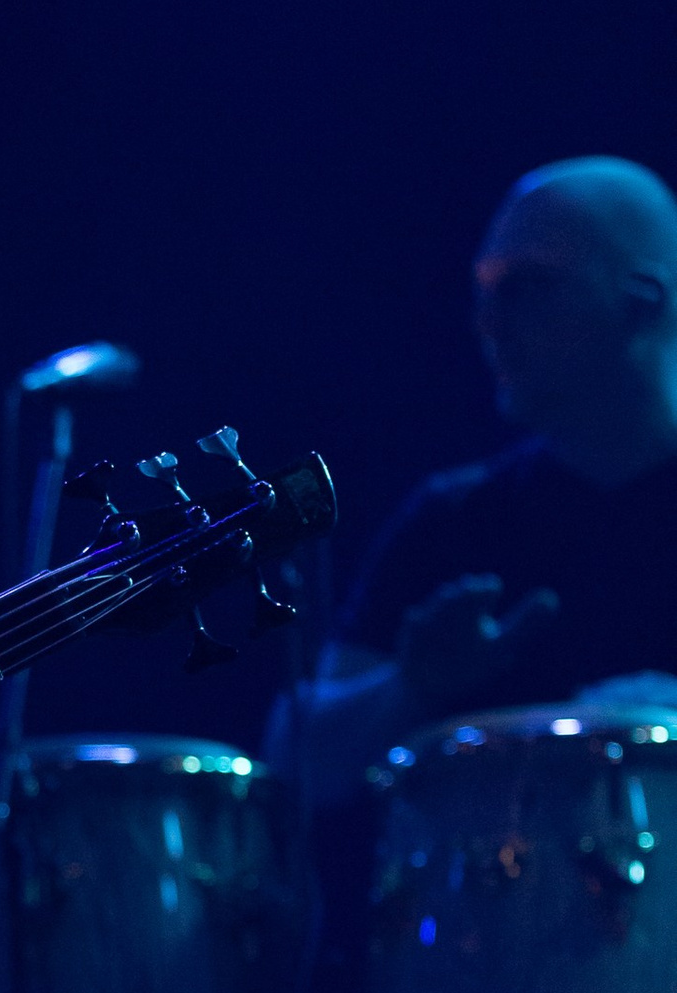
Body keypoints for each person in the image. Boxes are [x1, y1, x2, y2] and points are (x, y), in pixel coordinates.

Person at [286, 157, 677, 805]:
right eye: (484, 292)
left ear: (641, 304)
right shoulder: (453, 521)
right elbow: (295, 763)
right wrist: (412, 686)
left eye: (528, 287)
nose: (488, 323)